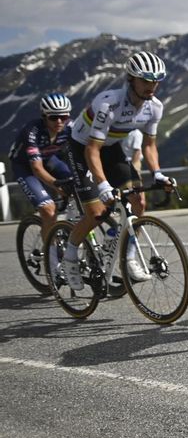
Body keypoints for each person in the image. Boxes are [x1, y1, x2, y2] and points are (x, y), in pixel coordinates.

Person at [62, 52, 177, 290]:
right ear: (131, 79)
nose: (152, 86)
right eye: (146, 80)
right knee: (96, 213)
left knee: (138, 202)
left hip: (111, 149)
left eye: (156, 81)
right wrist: (103, 184)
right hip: (82, 148)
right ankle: (69, 257)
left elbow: (149, 145)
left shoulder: (155, 107)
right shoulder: (109, 103)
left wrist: (157, 173)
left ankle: (130, 258)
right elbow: (92, 149)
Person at [7, 93, 74, 244]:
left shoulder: (70, 127)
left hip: (50, 160)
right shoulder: (32, 131)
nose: (59, 121)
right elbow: (37, 168)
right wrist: (57, 186)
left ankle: (68, 230)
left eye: (63, 117)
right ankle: (51, 259)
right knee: (48, 210)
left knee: (77, 184)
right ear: (44, 116)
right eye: (53, 117)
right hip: (25, 167)